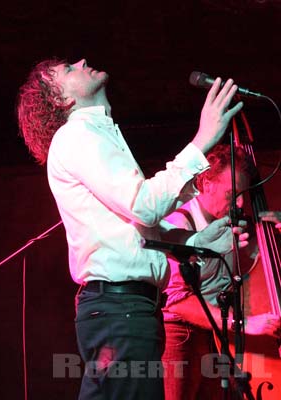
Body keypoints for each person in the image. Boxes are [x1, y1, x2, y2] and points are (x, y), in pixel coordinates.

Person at [16, 57, 243, 399]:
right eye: (66, 69)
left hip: (129, 309)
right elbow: (145, 205)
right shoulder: (77, 135)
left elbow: (134, 232)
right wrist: (201, 142)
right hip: (119, 309)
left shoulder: (97, 135)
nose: (80, 61)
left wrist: (195, 241)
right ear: (62, 100)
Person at [161, 144, 281, 399]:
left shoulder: (232, 221)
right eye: (231, 193)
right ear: (206, 183)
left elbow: (257, 270)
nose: (239, 203)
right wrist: (245, 323)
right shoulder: (179, 222)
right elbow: (178, 302)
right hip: (183, 335)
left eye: (243, 194)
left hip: (218, 331)